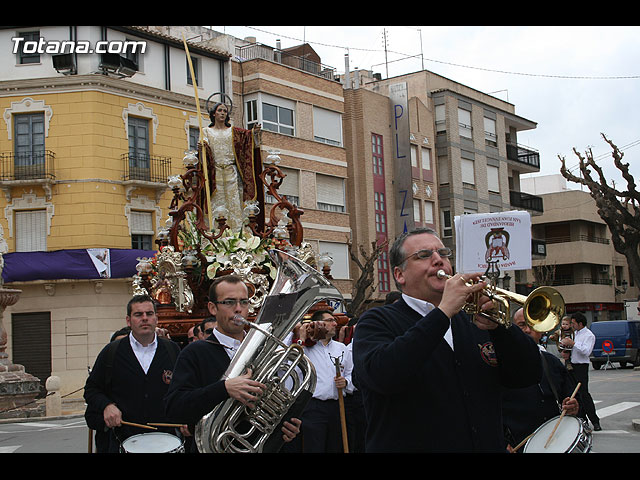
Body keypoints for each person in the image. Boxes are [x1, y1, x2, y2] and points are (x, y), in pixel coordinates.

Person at [352, 227, 542, 452]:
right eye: (423, 256)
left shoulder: (476, 320)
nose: (438, 260)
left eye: (443, 254)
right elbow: (383, 376)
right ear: (399, 275)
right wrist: (442, 313)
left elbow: (528, 374)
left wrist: (500, 329)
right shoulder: (375, 321)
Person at [164, 275, 301, 452]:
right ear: (213, 308)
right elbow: (174, 407)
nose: (238, 309)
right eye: (229, 302)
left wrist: (286, 424)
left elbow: (272, 400)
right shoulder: (194, 352)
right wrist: (224, 388)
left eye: (244, 302)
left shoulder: (263, 350)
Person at [84, 295, 182, 452]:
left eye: (149, 314)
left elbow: (185, 389)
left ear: (156, 318)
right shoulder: (111, 352)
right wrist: (107, 405)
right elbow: (91, 389)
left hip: (167, 442)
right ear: (128, 320)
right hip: (123, 440)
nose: (145, 318)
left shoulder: (172, 350)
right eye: (138, 314)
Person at [502, 308, 580, 451]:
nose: (526, 330)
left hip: (555, 442)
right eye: (521, 325)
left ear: (541, 329)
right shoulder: (499, 364)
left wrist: (573, 406)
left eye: (532, 325)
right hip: (517, 445)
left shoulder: (553, 363)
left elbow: (571, 398)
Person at [287, 310, 353, 453]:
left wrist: (346, 382)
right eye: (330, 320)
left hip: (337, 406)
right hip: (313, 407)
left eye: (334, 320)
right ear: (318, 323)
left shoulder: (341, 348)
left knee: (336, 446)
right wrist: (302, 338)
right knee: (314, 447)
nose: (335, 324)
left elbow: (350, 373)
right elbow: (292, 367)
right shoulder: (306, 348)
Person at [200, 102, 263, 233]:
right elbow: (203, 149)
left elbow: (248, 139)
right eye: (220, 110)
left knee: (235, 204)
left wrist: (254, 134)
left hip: (232, 173)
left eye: (225, 111)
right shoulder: (206, 131)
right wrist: (202, 148)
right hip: (215, 174)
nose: (223, 113)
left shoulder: (234, 132)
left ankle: (237, 234)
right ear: (213, 113)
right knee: (216, 203)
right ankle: (215, 234)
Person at [560, 312, 601, 431]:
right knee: (575, 395)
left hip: (581, 366)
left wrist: (573, 344)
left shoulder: (589, 335)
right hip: (571, 365)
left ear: (580, 323)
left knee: (584, 394)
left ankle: (595, 420)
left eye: (573, 323)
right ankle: (582, 420)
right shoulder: (574, 334)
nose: (572, 325)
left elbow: (586, 351)